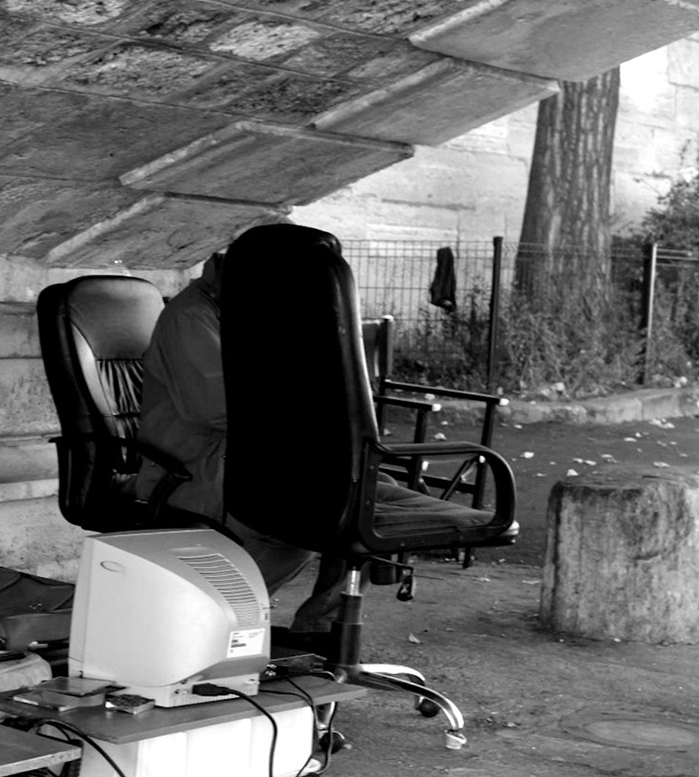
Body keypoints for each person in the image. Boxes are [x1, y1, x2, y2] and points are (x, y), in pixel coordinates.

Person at [125, 250, 491, 643]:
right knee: (300, 521)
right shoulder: (191, 318)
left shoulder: (244, 310)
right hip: (197, 470)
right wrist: (310, 414)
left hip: (250, 461)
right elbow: (221, 412)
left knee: (365, 493)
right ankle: (207, 624)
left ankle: (319, 632)